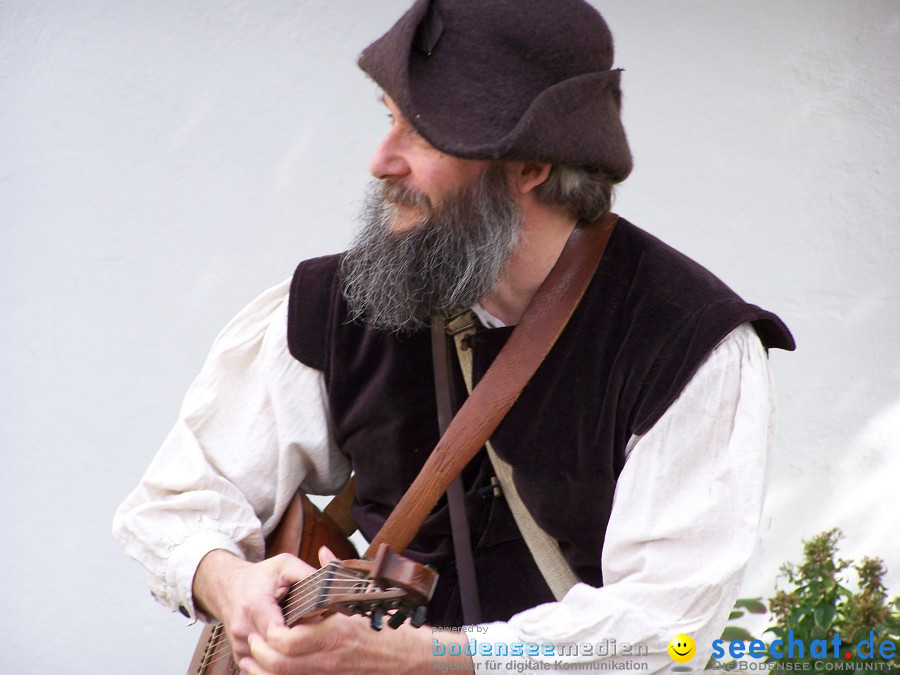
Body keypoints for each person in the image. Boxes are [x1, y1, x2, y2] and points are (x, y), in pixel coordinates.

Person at [113, 0, 795, 673]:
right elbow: (173, 507)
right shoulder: (334, 305)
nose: (382, 160)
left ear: (529, 165)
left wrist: (431, 657)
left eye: (424, 135)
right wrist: (230, 583)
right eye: (388, 119)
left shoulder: (686, 344)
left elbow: (665, 631)